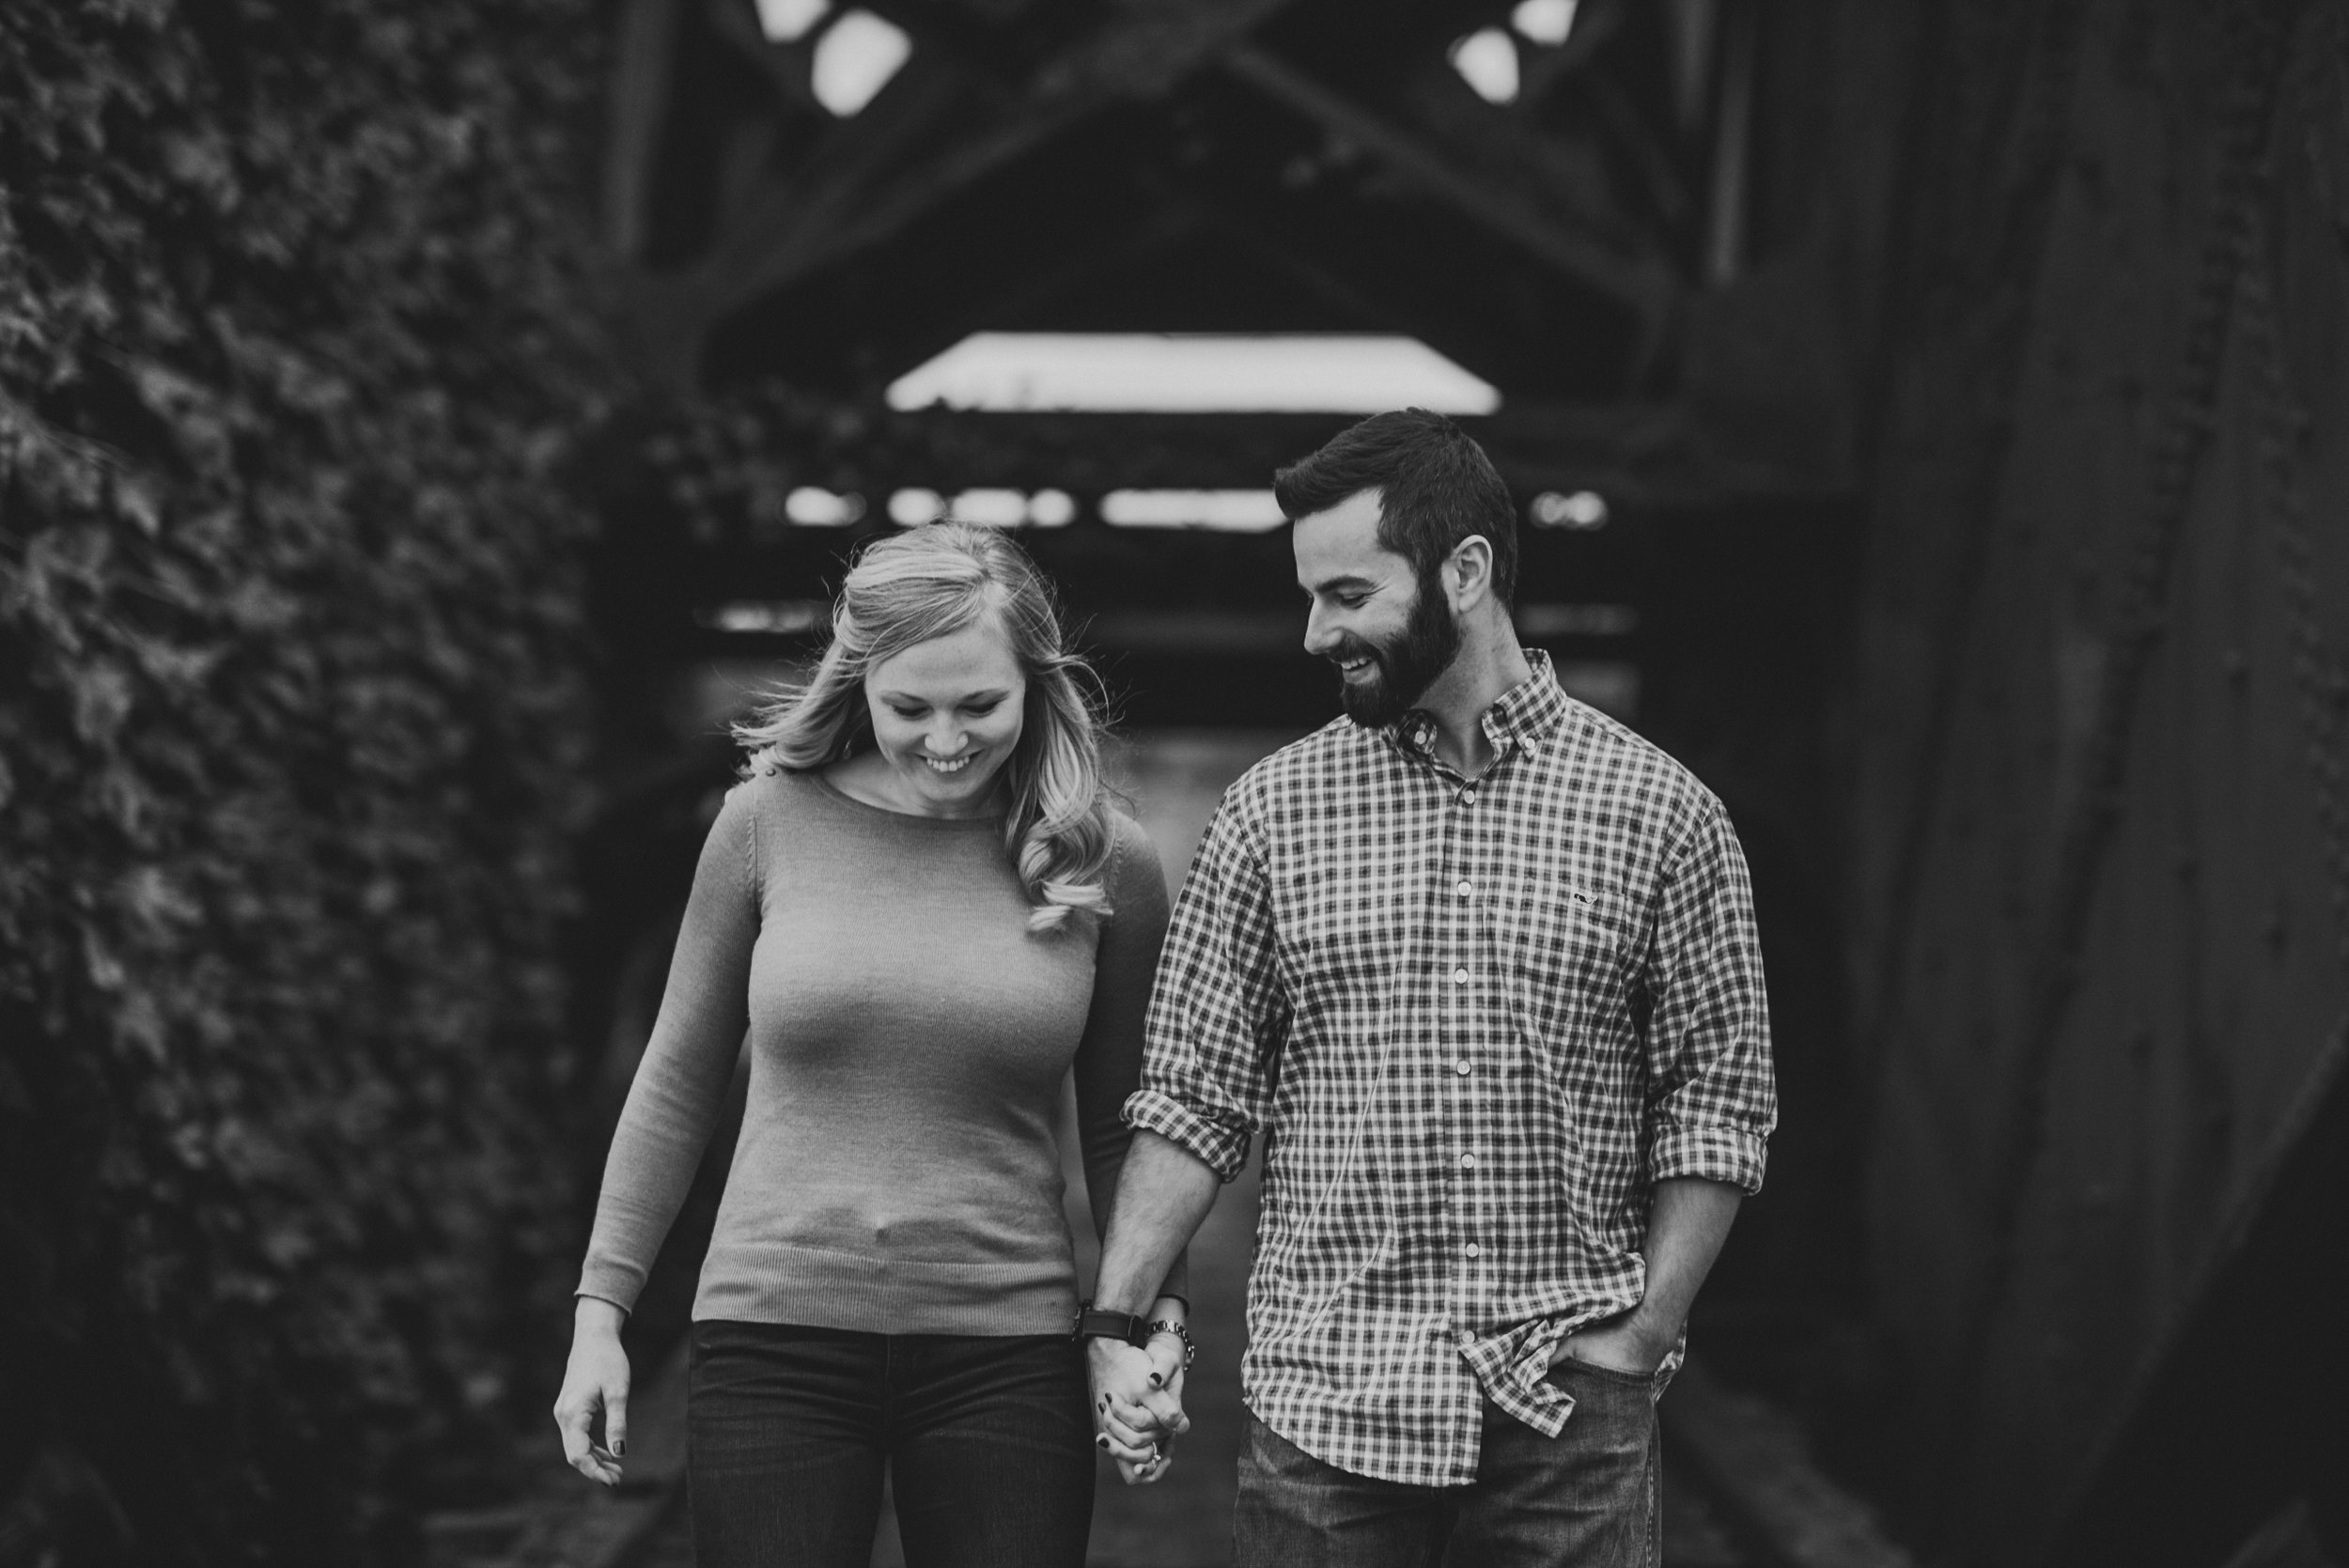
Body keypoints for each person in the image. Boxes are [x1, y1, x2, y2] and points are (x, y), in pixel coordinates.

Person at [1082, 411, 1779, 1567]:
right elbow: (1193, 1097)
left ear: (1466, 570)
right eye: (1311, 596)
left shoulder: (1664, 814)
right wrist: (1117, 1318)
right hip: (1329, 1416)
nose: (1317, 632)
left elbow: (1715, 1102)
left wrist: (1642, 1332)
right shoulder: (1271, 815)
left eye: (1349, 593)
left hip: (1567, 1418)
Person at [553, 522, 1190, 1568]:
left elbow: (1127, 1127)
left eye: (978, 704)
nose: (945, 739)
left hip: (1005, 1350)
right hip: (772, 1343)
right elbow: (677, 1079)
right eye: (909, 708)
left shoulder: (1101, 860)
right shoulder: (764, 822)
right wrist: (598, 1317)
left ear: (1034, 683)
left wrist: (1144, 1327)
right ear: (860, 684)